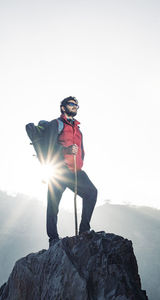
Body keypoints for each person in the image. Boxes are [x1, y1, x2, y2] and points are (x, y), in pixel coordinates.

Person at [46, 96, 97, 247]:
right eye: (71, 104)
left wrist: (80, 160)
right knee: (53, 205)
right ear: (63, 107)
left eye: (76, 105)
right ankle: (53, 239)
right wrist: (65, 150)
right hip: (58, 170)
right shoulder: (56, 124)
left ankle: (84, 230)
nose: (75, 106)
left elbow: (82, 150)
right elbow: (48, 147)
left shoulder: (78, 129)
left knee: (92, 192)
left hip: (75, 170)